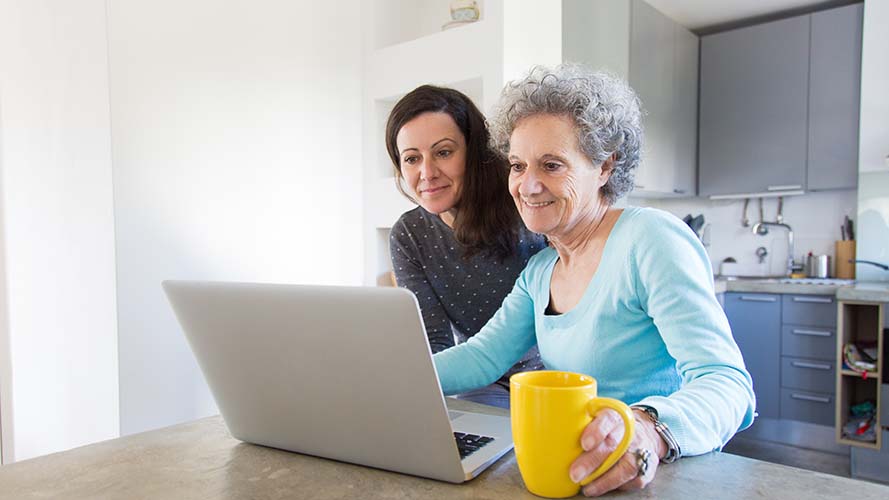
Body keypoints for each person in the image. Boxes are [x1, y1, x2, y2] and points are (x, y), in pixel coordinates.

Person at [432, 64, 755, 497]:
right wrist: (388, 373)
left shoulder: (650, 239)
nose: (528, 186)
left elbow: (727, 381)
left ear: (605, 167)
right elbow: (480, 358)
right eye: (517, 165)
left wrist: (648, 430)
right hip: (572, 474)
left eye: (551, 165)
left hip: (657, 476)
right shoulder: (541, 271)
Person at [385, 85, 547, 408]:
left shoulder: (524, 203)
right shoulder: (409, 235)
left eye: (444, 152)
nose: (427, 173)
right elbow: (435, 344)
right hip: (480, 383)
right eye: (412, 159)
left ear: (474, 152)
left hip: (552, 379)